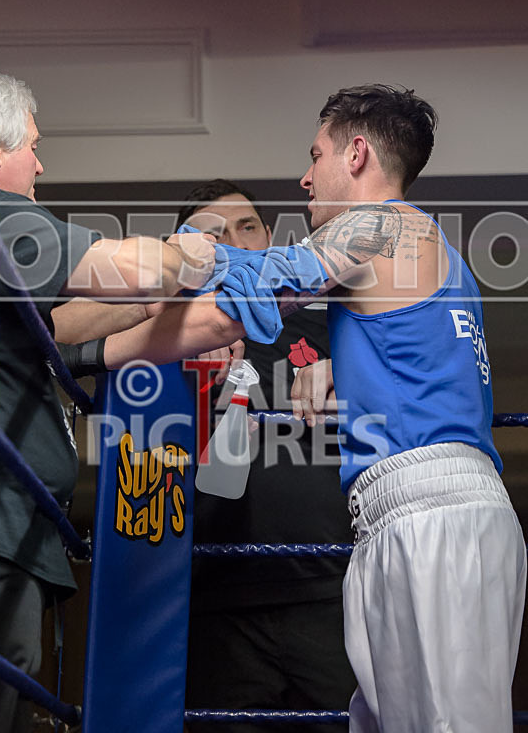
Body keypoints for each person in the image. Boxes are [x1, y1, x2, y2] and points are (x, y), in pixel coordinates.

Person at [98, 84, 526, 733]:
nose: (304, 176)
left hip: (430, 511)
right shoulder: (422, 245)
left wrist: (193, 254)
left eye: (315, 153)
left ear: (355, 154)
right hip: (402, 512)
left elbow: (269, 284)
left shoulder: (381, 223)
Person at [0, 65, 215, 733]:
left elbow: (68, 329)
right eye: (32, 145)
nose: (39, 163)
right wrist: (189, 253)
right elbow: (127, 269)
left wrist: (198, 308)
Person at [173, 180, 355, 731]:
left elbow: (401, 393)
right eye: (212, 233)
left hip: (328, 587)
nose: (233, 241)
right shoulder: (162, 330)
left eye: (246, 227)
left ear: (270, 238)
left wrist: (343, 374)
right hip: (217, 594)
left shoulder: (331, 324)